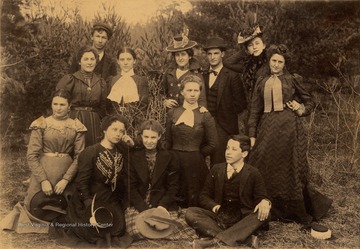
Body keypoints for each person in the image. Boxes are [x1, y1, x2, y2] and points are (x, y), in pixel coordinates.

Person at [248, 44, 316, 227]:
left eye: (280, 62)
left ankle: (291, 210)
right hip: (267, 127)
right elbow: (254, 110)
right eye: (274, 61)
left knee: (289, 166)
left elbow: (309, 102)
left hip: (289, 127)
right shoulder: (261, 81)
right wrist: (252, 134)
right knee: (262, 161)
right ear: (269, 61)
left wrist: (300, 109)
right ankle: (267, 206)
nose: (276, 65)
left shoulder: (292, 79)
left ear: (284, 64)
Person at [0, 89, 87, 234]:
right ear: (51, 104)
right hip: (44, 170)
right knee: (36, 205)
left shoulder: (76, 126)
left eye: (62, 104)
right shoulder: (41, 124)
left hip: (66, 171)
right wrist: (43, 180)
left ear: (69, 106)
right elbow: (32, 155)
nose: (58, 108)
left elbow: (80, 156)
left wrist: (66, 179)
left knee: (67, 208)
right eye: (55, 104)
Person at [185, 135, 271, 248]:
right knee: (191, 213)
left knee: (264, 214)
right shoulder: (216, 169)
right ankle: (244, 238)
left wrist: (265, 201)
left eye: (234, 149)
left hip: (242, 217)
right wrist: (215, 207)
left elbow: (261, 196)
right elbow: (203, 196)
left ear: (244, 154)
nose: (228, 152)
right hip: (220, 215)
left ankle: (212, 242)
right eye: (227, 148)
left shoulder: (253, 173)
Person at [62, 115, 134, 247]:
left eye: (121, 131)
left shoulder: (122, 150)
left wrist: (131, 143)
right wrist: (88, 203)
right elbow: (82, 182)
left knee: (118, 229)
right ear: (105, 130)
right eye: (114, 129)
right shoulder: (90, 152)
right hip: (90, 197)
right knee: (93, 231)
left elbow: (137, 151)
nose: (118, 134)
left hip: (110, 197)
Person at [125, 119, 197, 241]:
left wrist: (162, 206)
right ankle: (157, 232)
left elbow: (173, 186)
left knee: (181, 229)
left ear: (159, 137)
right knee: (135, 230)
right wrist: (144, 209)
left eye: (153, 137)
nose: (149, 141)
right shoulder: (132, 157)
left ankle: (157, 231)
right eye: (146, 137)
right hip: (140, 203)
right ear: (141, 136)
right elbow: (130, 187)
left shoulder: (170, 157)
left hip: (161, 202)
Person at [166, 74, 218, 207]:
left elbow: (213, 144)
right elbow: (167, 140)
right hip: (174, 160)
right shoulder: (172, 113)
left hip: (195, 162)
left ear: (200, 92)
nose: (193, 94)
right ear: (182, 92)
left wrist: (198, 154)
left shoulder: (204, 115)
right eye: (189, 90)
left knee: (193, 197)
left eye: (196, 90)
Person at [202, 37, 247, 165]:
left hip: (224, 126)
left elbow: (240, 104)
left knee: (219, 163)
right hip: (203, 124)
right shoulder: (203, 75)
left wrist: (224, 114)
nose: (212, 57)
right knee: (199, 160)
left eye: (216, 53)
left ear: (223, 54)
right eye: (209, 54)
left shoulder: (232, 76)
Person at [57, 46, 108, 147]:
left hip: (93, 120)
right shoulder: (70, 79)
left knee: (92, 150)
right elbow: (60, 102)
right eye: (86, 59)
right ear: (79, 62)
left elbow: (103, 106)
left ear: (96, 61)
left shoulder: (101, 82)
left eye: (92, 59)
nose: (89, 62)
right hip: (74, 118)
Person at [224, 24, 267, 111]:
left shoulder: (271, 63)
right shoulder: (247, 66)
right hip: (253, 107)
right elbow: (227, 63)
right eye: (250, 45)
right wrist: (244, 51)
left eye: (257, 43)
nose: (254, 47)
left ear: (264, 45)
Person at [162, 33, 207, 109]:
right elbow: (161, 92)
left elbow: (202, 99)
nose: (180, 58)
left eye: (183, 54)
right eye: (177, 55)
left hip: (189, 113)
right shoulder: (169, 72)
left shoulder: (196, 74)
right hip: (170, 113)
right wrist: (164, 101)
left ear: (189, 56)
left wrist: (200, 113)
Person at [107, 47, 149, 127]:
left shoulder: (140, 81)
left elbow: (143, 107)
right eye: (122, 60)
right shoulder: (112, 80)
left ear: (134, 61)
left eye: (129, 59)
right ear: (118, 61)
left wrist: (136, 123)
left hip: (134, 122)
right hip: (114, 122)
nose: (125, 63)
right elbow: (109, 106)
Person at [69, 22, 118, 86]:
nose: (100, 40)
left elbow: (113, 85)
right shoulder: (80, 56)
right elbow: (70, 79)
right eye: (97, 36)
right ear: (92, 37)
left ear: (107, 40)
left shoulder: (111, 62)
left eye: (103, 37)